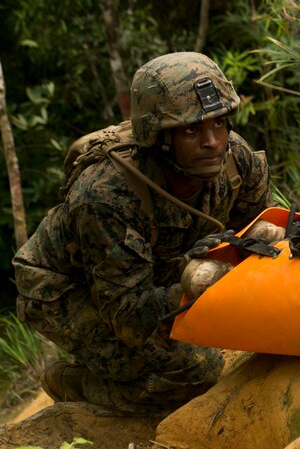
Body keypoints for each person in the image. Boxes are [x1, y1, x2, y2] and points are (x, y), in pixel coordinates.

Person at [12, 52, 272, 415]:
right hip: (64, 288)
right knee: (194, 371)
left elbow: (264, 235)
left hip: (150, 269)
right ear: (158, 137)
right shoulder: (106, 194)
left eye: (219, 123)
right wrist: (197, 287)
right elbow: (129, 317)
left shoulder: (236, 158)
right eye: (191, 129)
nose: (213, 141)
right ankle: (72, 382)